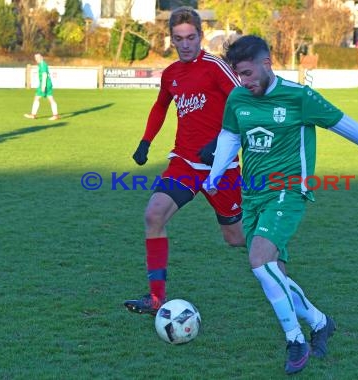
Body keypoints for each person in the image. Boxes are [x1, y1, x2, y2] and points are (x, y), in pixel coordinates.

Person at [204, 35, 358, 375]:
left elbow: (350, 129)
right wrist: (214, 176)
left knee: (259, 261)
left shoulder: (299, 97)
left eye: (247, 73)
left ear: (267, 62)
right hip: (252, 195)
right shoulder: (238, 97)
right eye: (238, 74)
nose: (244, 81)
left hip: (288, 193)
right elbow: (230, 136)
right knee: (274, 275)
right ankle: (319, 322)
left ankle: (295, 339)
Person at [123, 6, 246, 316]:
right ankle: (156, 298)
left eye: (191, 37)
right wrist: (145, 141)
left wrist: (219, 142)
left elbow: (244, 105)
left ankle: (274, 246)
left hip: (221, 167)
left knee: (236, 238)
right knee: (153, 216)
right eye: (179, 38)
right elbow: (160, 106)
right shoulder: (172, 74)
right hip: (185, 164)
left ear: (201, 37)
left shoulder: (216, 67)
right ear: (171, 40)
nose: (186, 44)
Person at [24, 53, 59, 121]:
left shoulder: (42, 65)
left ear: (41, 57)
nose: (36, 59)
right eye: (35, 58)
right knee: (50, 98)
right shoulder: (43, 64)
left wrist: (43, 86)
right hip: (48, 83)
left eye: (37, 58)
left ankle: (33, 115)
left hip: (44, 83)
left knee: (37, 98)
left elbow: (44, 75)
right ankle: (55, 115)